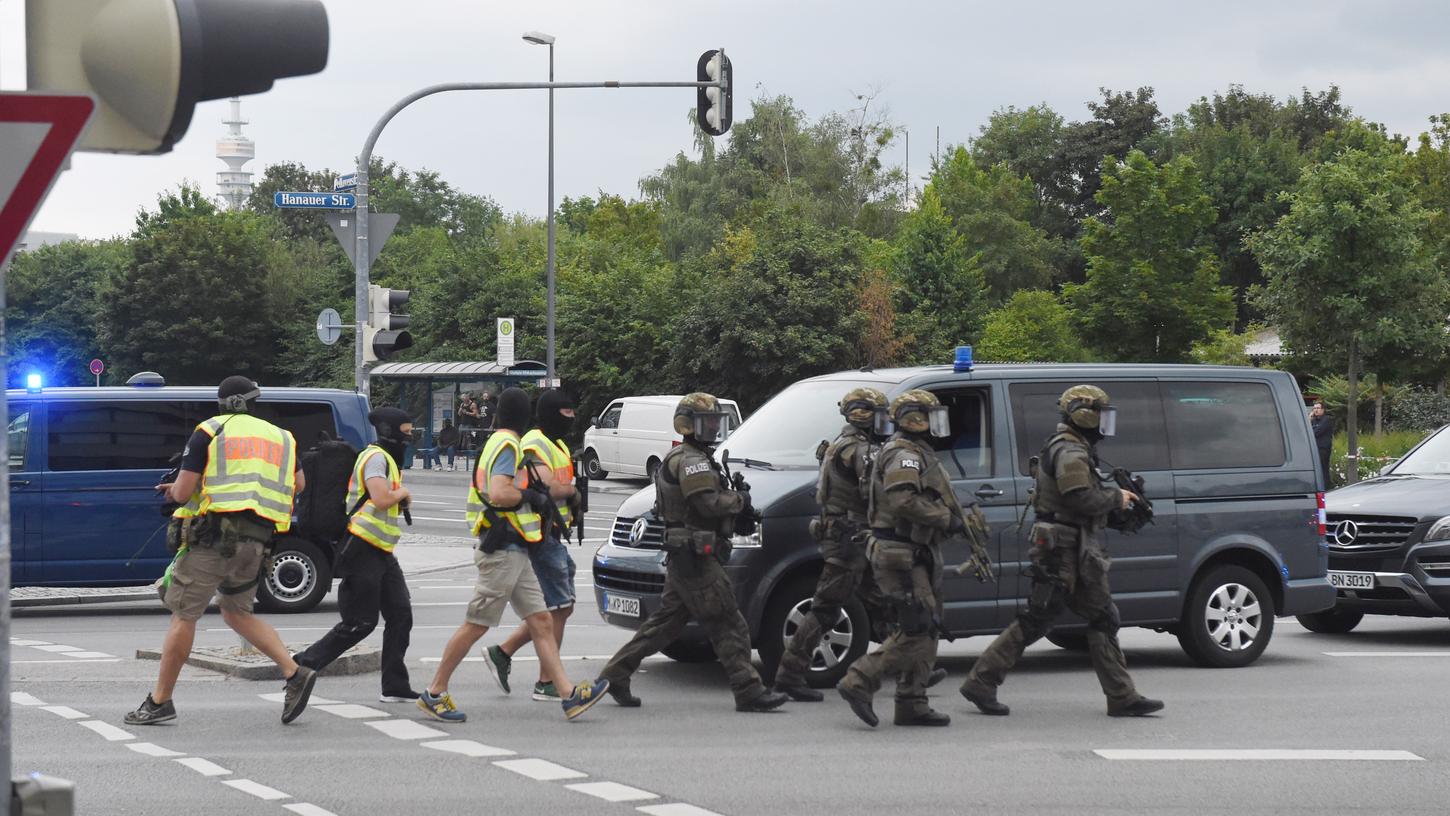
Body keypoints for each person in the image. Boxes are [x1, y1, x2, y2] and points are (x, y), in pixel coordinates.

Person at [961, 385, 1164, 718]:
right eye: (1100, 416)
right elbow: (1078, 498)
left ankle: (1122, 695)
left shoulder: (1074, 448)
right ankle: (981, 681)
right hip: (1061, 548)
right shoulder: (1070, 451)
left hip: (1075, 547)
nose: (1104, 425)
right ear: (1084, 416)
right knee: (1039, 616)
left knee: (1102, 616)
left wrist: (1117, 509)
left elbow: (1080, 503)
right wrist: (1118, 498)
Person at [126, 376, 316, 726]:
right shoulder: (282, 437)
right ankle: (294, 672)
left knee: (184, 615)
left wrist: (176, 490)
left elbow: (183, 494)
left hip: (214, 541)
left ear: (226, 403)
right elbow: (299, 484)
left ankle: (159, 701)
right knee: (236, 613)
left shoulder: (210, 430)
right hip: (257, 542)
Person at [418, 387, 608, 722]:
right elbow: (500, 492)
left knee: (542, 620)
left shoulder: (499, 442)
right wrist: (531, 497)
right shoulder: (507, 445)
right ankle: (435, 691)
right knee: (476, 624)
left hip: (515, 546)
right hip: (502, 549)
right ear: (523, 416)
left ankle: (568, 695)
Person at [599, 393, 789, 713]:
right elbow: (707, 503)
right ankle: (748, 689)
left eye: (716, 422)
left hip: (687, 555)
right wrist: (739, 501)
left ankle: (615, 674)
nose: (714, 427)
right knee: (729, 622)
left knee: (663, 627)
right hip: (696, 557)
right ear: (689, 425)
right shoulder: (691, 460)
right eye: (707, 422)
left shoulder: (696, 457)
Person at [837, 390, 965, 727]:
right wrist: (943, 517)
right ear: (914, 418)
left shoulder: (916, 452)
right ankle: (859, 679)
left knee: (929, 624)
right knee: (916, 627)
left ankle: (912, 701)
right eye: (931, 416)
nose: (938, 424)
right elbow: (902, 501)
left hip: (915, 552)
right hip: (900, 553)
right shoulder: (903, 455)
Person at [773, 387, 893, 702]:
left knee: (883, 599)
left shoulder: (836, 444)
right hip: (850, 538)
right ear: (863, 415)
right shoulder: (861, 450)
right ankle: (789, 675)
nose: (884, 422)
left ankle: (911, 664)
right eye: (879, 414)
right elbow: (874, 493)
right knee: (825, 609)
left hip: (846, 534)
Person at [294, 407, 417, 703]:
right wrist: (402, 494)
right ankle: (303, 665)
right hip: (362, 547)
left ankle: (395, 685)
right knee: (360, 623)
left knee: (401, 615)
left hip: (381, 550)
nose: (411, 435)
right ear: (389, 430)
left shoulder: (387, 459)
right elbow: (381, 497)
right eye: (406, 430)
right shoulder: (375, 457)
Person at [482, 390, 582, 701]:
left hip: (551, 533)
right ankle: (546, 682)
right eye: (565, 413)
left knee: (556, 608)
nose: (571, 419)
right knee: (557, 607)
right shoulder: (534, 442)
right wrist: (572, 491)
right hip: (540, 533)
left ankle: (504, 652)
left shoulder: (557, 443)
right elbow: (547, 486)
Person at [1311, 402, 1334, 487]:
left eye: (1318, 408)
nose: (1316, 410)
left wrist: (1311, 431)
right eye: (1314, 408)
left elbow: (1316, 432)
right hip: (1314, 448)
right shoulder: (1313, 421)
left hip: (1323, 448)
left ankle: (1327, 486)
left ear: (1323, 410)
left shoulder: (1326, 420)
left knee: (1323, 468)